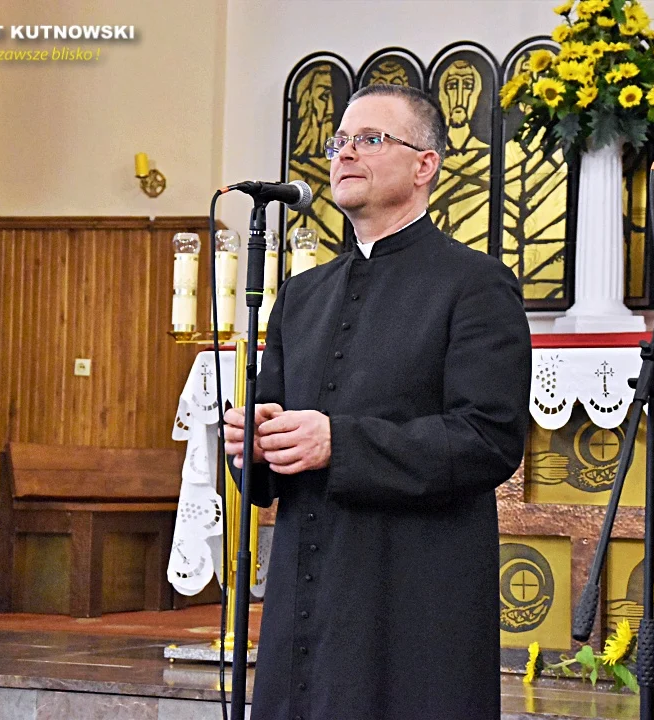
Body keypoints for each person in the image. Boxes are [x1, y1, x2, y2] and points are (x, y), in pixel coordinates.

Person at [223, 84, 532, 720]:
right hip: (307, 595)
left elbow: (488, 440)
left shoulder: (475, 286)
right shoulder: (301, 296)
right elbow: (271, 452)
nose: (345, 154)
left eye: (371, 140)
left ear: (425, 165)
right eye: (339, 141)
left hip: (414, 602)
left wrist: (341, 442)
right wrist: (250, 446)